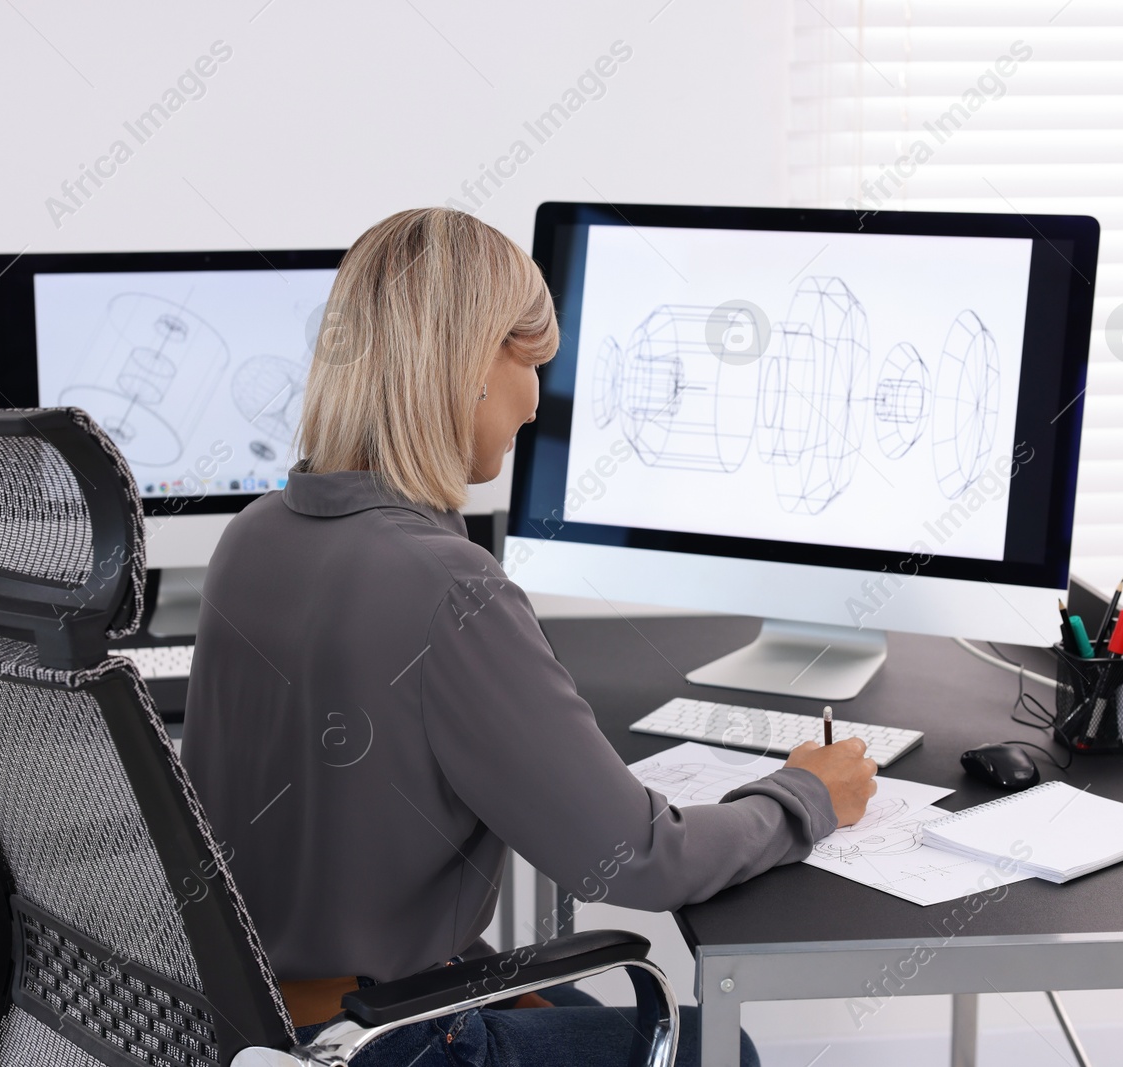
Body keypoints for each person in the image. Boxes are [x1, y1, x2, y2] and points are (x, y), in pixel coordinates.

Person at [181, 207, 878, 1066]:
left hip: (253, 1021)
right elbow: (641, 862)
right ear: (472, 364)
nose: (535, 400)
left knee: (558, 989)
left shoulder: (251, 535)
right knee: (721, 1049)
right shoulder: (449, 587)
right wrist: (805, 797)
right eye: (529, 363)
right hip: (383, 1043)